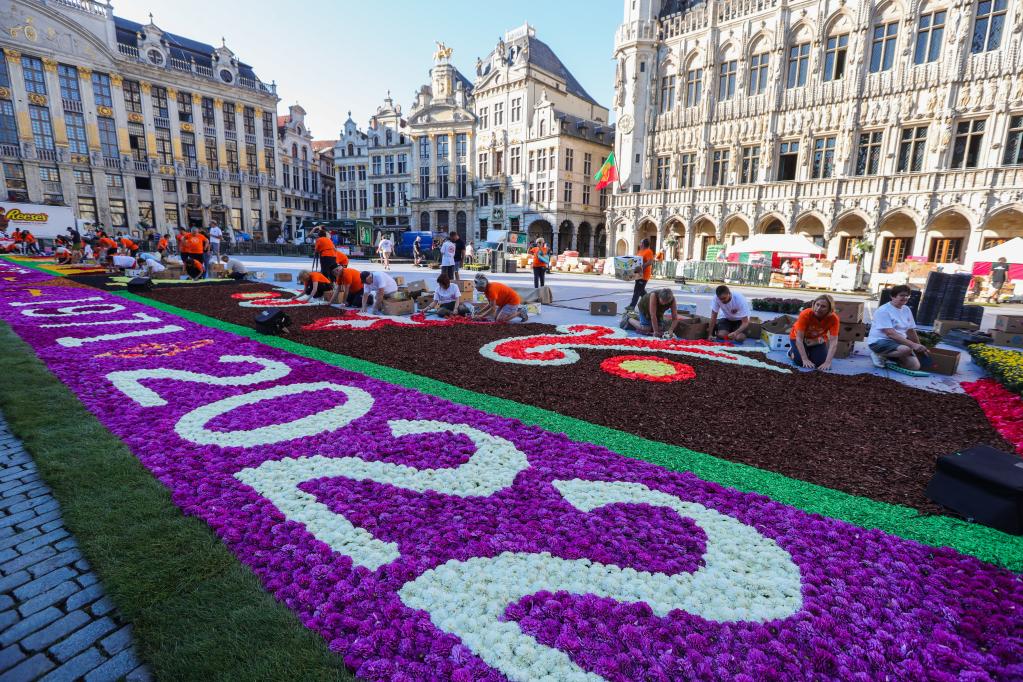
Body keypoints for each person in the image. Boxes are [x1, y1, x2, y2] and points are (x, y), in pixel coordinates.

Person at [867, 284, 930, 371]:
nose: (905, 298)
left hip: (898, 343)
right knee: (906, 349)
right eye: (901, 295)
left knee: (914, 366)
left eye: (907, 296)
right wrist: (913, 345)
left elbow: (910, 330)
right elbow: (890, 334)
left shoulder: (906, 309)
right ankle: (879, 354)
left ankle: (890, 357)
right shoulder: (884, 311)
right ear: (892, 296)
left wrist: (919, 346)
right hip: (879, 341)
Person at [789, 295, 840, 370]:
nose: (818, 308)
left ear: (829, 309)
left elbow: (833, 342)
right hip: (799, 338)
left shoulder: (834, 319)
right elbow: (799, 338)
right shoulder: (805, 314)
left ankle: (808, 350)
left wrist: (827, 362)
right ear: (814, 304)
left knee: (820, 363)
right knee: (800, 362)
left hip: (817, 340)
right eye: (817, 305)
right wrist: (805, 359)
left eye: (823, 306)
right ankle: (791, 352)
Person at [625, 238, 655, 312]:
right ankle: (651, 303)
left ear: (644, 244)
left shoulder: (648, 251)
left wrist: (642, 267)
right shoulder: (641, 251)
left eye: (641, 242)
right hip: (638, 274)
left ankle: (632, 306)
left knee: (637, 290)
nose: (639, 244)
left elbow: (650, 262)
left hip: (644, 275)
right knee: (641, 291)